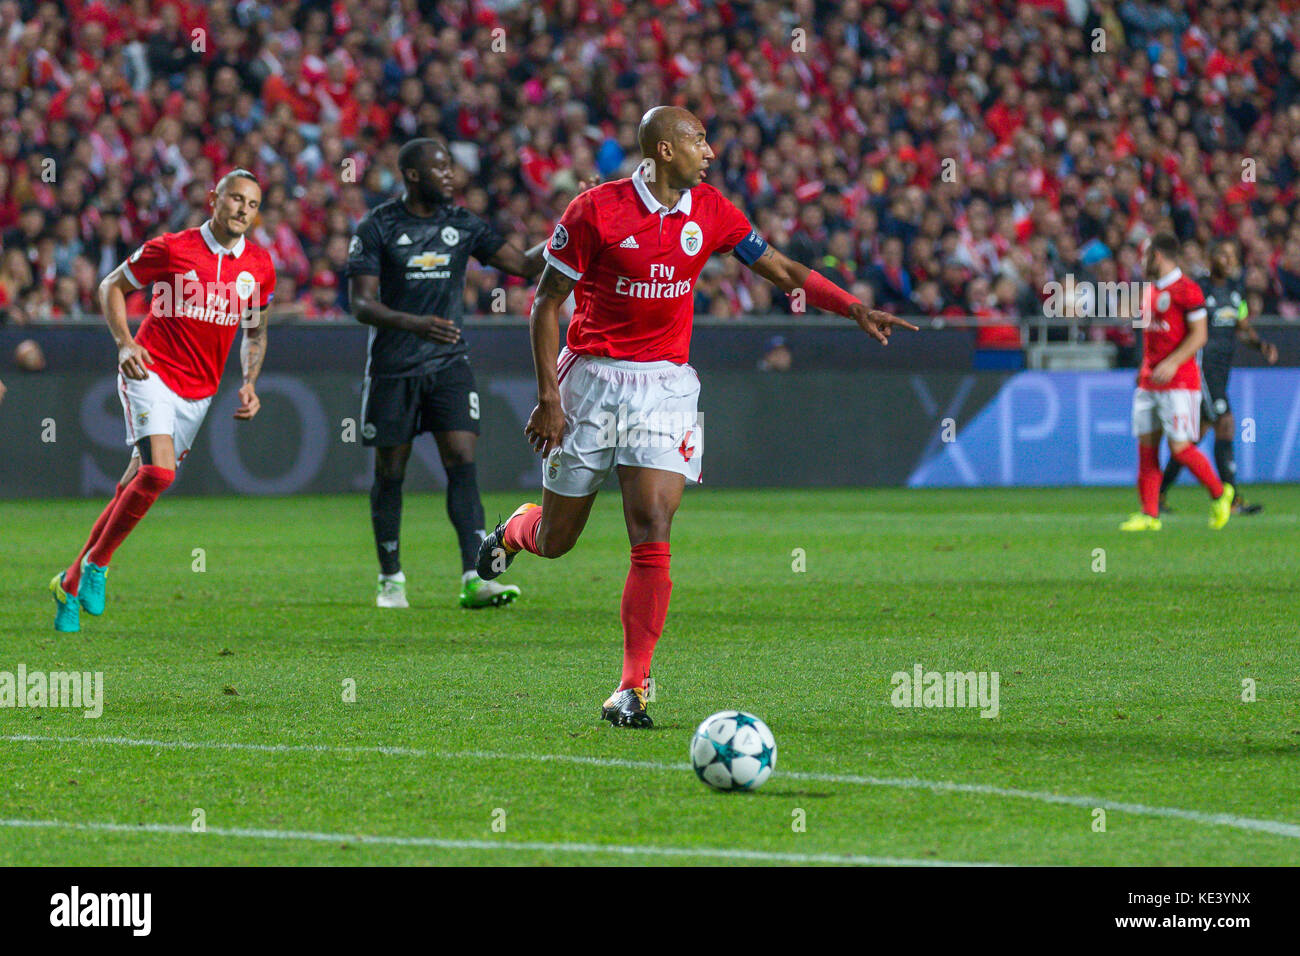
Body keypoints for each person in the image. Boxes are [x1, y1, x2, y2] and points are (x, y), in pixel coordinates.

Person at [475, 107, 914, 727]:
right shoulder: (594, 211)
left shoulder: (710, 210)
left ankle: (632, 686)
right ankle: (515, 533)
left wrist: (853, 307)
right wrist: (549, 398)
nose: (709, 151)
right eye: (697, 140)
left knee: (652, 520)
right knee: (558, 540)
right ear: (661, 149)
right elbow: (545, 304)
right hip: (591, 378)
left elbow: (783, 269)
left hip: (666, 386)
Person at [348, 137, 593, 609]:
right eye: (440, 169)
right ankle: (391, 577)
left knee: (462, 462)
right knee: (390, 472)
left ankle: (476, 577)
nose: (450, 176)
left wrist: (574, 219)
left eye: (451, 168)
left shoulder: (461, 223)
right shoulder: (378, 225)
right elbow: (360, 303)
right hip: (393, 368)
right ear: (414, 175)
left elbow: (521, 264)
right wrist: (417, 323)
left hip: (449, 364)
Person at [50, 169, 276, 632]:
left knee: (133, 485)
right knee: (159, 471)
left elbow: (256, 330)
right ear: (214, 198)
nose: (242, 211)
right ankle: (98, 566)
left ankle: (69, 582)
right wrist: (125, 342)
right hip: (148, 369)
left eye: (252, 205)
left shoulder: (259, 266)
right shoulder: (172, 248)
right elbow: (111, 285)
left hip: (200, 390)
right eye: (235, 199)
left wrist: (249, 381)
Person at [1121, 232, 1233, 532]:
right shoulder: (1149, 291)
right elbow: (1154, 336)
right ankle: (1149, 515)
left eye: (1143, 254)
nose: (1139, 261)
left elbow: (1200, 335)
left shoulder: (1187, 290)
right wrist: (1145, 367)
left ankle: (1221, 494)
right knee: (1146, 449)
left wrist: (1172, 362)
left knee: (1180, 447)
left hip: (1179, 382)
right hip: (1149, 381)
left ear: (1157, 255)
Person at [1159, 239, 1278, 513]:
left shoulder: (1236, 292)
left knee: (1192, 438)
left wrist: (1260, 345)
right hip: (1202, 367)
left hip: (1221, 370)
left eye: (1233, 255)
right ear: (1211, 258)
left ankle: (1159, 494)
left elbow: (1242, 326)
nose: (1229, 260)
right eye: (1223, 255)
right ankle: (1231, 498)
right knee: (1225, 422)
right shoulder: (1198, 289)